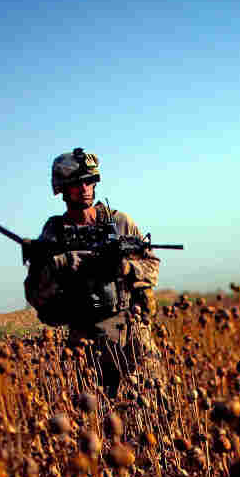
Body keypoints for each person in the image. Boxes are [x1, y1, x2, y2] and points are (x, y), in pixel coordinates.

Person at [24, 148, 162, 397]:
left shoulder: (120, 222)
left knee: (155, 402)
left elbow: (152, 268)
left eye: (89, 181)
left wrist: (127, 268)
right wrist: (59, 265)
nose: (85, 188)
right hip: (84, 341)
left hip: (131, 334)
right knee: (93, 412)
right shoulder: (54, 232)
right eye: (77, 183)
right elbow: (34, 294)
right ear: (63, 189)